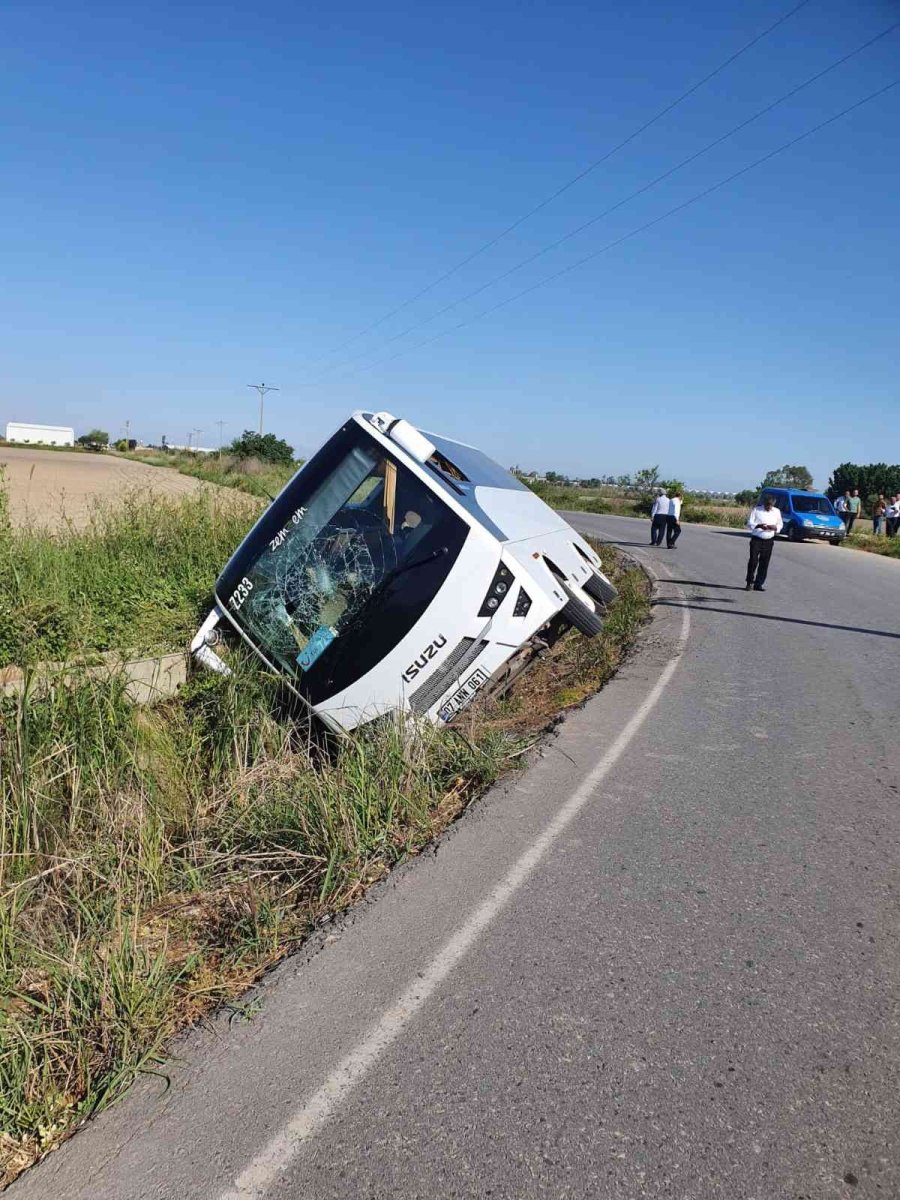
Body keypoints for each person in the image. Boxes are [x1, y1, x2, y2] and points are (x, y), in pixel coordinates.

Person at [746, 494, 783, 591]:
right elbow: (749, 523)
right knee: (753, 561)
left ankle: (758, 584)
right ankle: (749, 582)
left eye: (771, 505)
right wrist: (759, 526)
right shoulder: (756, 510)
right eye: (767, 504)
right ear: (764, 503)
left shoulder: (777, 512)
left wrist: (775, 528)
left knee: (764, 563)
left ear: (774, 504)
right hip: (757, 539)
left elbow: (780, 524)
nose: (769, 506)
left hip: (769, 540)